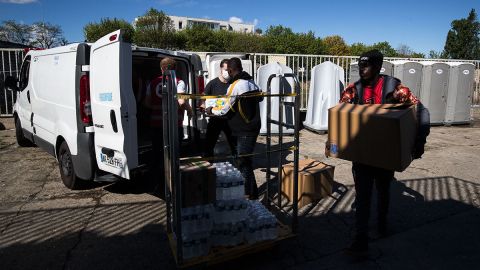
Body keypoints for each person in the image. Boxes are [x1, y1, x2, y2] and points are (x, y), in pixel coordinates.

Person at [336, 50, 430, 254]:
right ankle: (360, 240)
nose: (362, 69)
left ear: (378, 67)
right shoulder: (354, 90)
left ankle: (382, 224)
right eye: (360, 65)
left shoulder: (393, 89)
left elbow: (421, 110)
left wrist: (420, 139)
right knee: (362, 196)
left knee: (384, 190)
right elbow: (340, 116)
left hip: (385, 153)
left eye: (367, 65)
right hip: (362, 153)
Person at [206, 57, 263, 199]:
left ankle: (247, 196)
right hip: (253, 126)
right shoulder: (252, 82)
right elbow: (260, 98)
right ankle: (253, 193)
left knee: (243, 163)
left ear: (231, 70)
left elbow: (225, 108)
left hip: (243, 129)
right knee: (246, 161)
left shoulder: (236, 85)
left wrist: (210, 110)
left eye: (228, 70)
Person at [144, 57, 193, 193]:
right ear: (175, 69)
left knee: (157, 155)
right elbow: (182, 102)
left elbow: (147, 103)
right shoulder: (179, 82)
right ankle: (173, 187)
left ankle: (156, 186)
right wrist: (190, 111)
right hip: (172, 126)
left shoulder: (152, 83)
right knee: (172, 156)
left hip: (156, 125)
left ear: (161, 68)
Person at [201, 59, 237, 158]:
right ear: (221, 69)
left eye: (230, 70)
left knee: (235, 145)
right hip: (215, 119)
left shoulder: (234, 84)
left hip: (231, 119)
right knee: (209, 144)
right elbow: (204, 96)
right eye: (226, 69)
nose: (228, 72)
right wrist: (203, 105)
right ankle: (208, 166)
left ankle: (240, 164)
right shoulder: (212, 83)